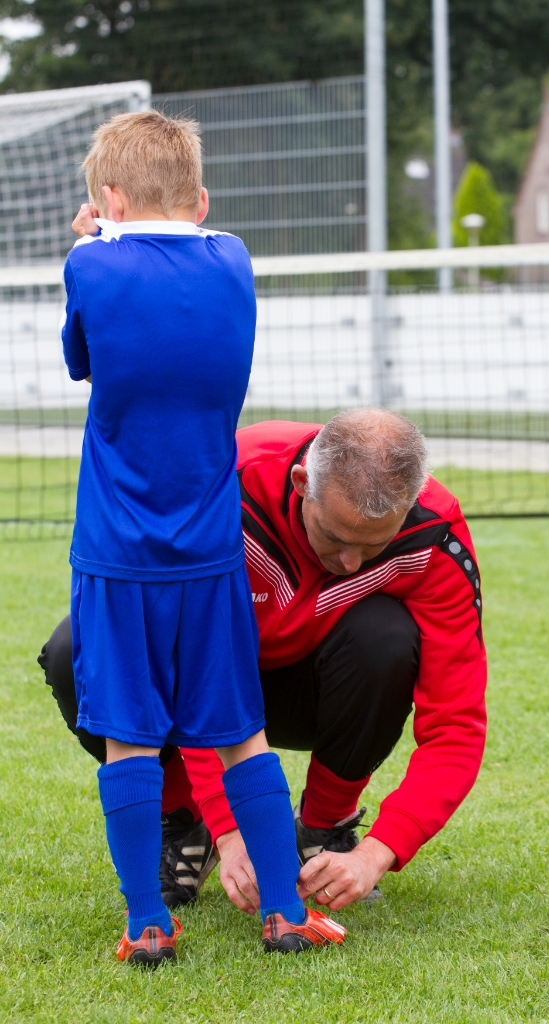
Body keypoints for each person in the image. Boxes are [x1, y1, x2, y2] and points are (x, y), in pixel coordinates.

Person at [59, 109, 344, 965]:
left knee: (129, 736)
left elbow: (83, 360)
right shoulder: (233, 260)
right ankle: (286, 910)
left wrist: (94, 237)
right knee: (239, 730)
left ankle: (147, 922)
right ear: (200, 199)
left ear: (107, 198)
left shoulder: (88, 263)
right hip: (213, 550)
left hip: (117, 554)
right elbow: (188, 235)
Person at [40, 409, 487, 917]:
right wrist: (230, 830)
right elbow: (182, 660)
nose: (352, 564)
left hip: (316, 689)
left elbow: (456, 726)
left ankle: (324, 829)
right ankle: (186, 823)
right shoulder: (220, 489)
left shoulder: (434, 536)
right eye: (336, 537)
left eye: (373, 544)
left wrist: (377, 853)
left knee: (385, 637)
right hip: (205, 677)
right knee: (80, 648)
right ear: (302, 484)